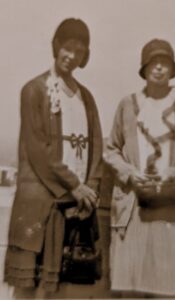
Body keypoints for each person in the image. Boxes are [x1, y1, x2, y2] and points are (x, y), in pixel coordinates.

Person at [4, 18, 103, 297]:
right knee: (28, 290)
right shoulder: (34, 90)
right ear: (56, 46)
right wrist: (74, 185)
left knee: (60, 291)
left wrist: (90, 191)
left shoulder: (87, 98)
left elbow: (96, 149)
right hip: (41, 206)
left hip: (75, 208)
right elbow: (38, 149)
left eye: (79, 51)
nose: (71, 56)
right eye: (68, 47)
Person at [104, 39, 175, 298]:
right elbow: (111, 149)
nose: (159, 68)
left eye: (165, 63)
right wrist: (130, 173)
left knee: (167, 289)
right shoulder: (127, 105)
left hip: (171, 211)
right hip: (133, 208)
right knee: (129, 288)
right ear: (144, 68)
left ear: (173, 70)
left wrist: (174, 173)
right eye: (154, 62)